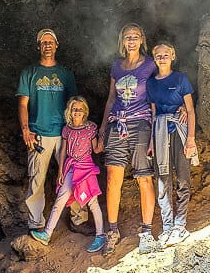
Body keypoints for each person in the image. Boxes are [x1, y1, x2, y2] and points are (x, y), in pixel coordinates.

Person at [17, 29, 90, 234]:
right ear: (38, 46)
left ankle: (79, 219)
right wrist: (26, 130)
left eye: (51, 41)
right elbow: (23, 104)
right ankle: (36, 223)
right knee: (37, 179)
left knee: (73, 176)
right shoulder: (29, 73)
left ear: (57, 45)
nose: (47, 45)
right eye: (43, 42)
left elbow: (75, 104)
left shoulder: (65, 74)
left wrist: (78, 131)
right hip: (39, 133)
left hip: (65, 133)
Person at [96, 23, 159, 255]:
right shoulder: (117, 66)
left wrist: (154, 131)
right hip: (117, 123)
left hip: (141, 123)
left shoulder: (150, 65)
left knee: (144, 176)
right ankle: (111, 231)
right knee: (113, 178)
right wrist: (103, 129)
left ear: (142, 39)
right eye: (127, 37)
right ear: (122, 41)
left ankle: (146, 232)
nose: (131, 40)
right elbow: (111, 98)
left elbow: (155, 96)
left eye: (135, 36)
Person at [30, 96, 106, 252]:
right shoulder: (67, 129)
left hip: (86, 169)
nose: (77, 112)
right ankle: (47, 234)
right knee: (60, 200)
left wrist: (104, 137)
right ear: (69, 112)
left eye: (80, 109)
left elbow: (96, 149)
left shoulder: (90, 128)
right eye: (74, 109)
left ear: (85, 111)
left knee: (92, 202)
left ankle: (100, 235)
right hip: (71, 168)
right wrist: (61, 171)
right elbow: (63, 151)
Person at [146, 42, 199, 247]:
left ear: (173, 56)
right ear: (154, 59)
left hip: (179, 130)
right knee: (162, 179)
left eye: (165, 55)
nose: (162, 58)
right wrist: (151, 140)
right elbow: (153, 113)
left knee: (183, 176)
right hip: (159, 130)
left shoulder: (181, 79)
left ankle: (180, 224)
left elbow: (190, 110)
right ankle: (167, 226)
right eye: (158, 56)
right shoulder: (151, 84)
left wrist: (191, 139)